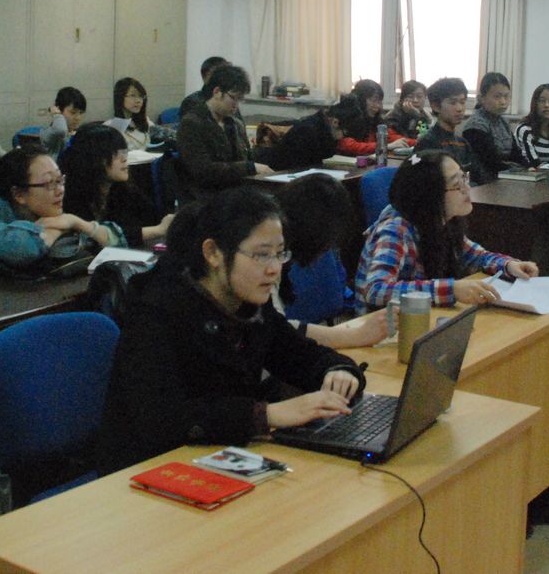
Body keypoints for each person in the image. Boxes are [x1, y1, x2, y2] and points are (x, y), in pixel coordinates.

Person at [95, 187, 366, 475]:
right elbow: (161, 419)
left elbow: (297, 353)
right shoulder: (156, 312)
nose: (275, 268)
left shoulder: (248, 304)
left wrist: (337, 371)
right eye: (261, 255)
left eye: (279, 254)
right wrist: (267, 414)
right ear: (213, 253)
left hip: (218, 456)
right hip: (147, 470)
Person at [355, 150, 538, 308]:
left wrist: (508, 265)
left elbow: (476, 256)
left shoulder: (444, 221)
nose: (467, 188)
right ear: (430, 194)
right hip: (386, 326)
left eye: (464, 178)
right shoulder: (396, 230)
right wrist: (452, 289)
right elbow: (376, 290)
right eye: (457, 184)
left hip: (422, 315)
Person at [0, 144, 124, 283]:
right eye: (49, 183)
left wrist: (77, 222)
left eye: (60, 180)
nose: (60, 190)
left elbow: (116, 240)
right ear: (18, 194)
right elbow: (23, 249)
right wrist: (59, 226)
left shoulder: (44, 208)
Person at [273, 175, 389, 349]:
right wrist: (352, 336)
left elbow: (278, 326)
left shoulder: (280, 251)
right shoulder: (269, 261)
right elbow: (276, 333)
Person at [61, 124, 173, 248]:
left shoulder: (124, 191)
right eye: (115, 154)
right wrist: (157, 230)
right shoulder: (71, 197)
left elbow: (153, 219)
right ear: (94, 160)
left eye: (124, 152)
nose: (124, 159)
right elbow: (96, 240)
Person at [177, 64, 272, 197]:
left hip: (235, 192)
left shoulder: (235, 124)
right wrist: (249, 167)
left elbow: (245, 158)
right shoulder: (191, 123)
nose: (236, 105)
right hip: (206, 196)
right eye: (233, 98)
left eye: (240, 99)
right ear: (217, 92)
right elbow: (203, 171)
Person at [413, 77, 484, 184]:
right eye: (453, 103)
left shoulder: (463, 143)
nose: (460, 108)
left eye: (462, 102)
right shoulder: (427, 143)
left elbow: (478, 176)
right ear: (436, 107)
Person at [265, 95, 361, 171]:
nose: (343, 138)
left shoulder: (324, 128)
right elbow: (301, 167)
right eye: (344, 133)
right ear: (335, 122)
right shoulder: (307, 131)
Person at [461, 72, 525, 181]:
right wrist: (515, 168)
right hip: (483, 182)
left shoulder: (504, 122)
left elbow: (516, 155)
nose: (503, 101)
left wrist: (530, 167)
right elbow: (490, 162)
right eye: (497, 97)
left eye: (506, 96)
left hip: (504, 177)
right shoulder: (475, 126)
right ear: (482, 98)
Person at [335, 79, 404, 157]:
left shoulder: (375, 120)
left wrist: (415, 142)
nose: (378, 106)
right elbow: (347, 146)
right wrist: (384, 146)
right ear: (361, 99)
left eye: (379, 101)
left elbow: (391, 136)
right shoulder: (347, 116)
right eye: (373, 100)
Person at [109, 76, 173, 151]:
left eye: (141, 96)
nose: (138, 101)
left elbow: (169, 135)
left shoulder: (146, 122)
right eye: (133, 95)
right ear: (120, 98)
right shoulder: (111, 126)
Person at [514, 82, 549, 168]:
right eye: (542, 101)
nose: (547, 105)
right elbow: (533, 163)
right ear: (535, 104)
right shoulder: (525, 130)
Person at [39, 86, 86, 158]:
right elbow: (61, 130)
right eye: (73, 112)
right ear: (59, 110)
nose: (78, 117)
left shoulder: (76, 134)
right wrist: (56, 114)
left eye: (81, 113)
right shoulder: (49, 133)